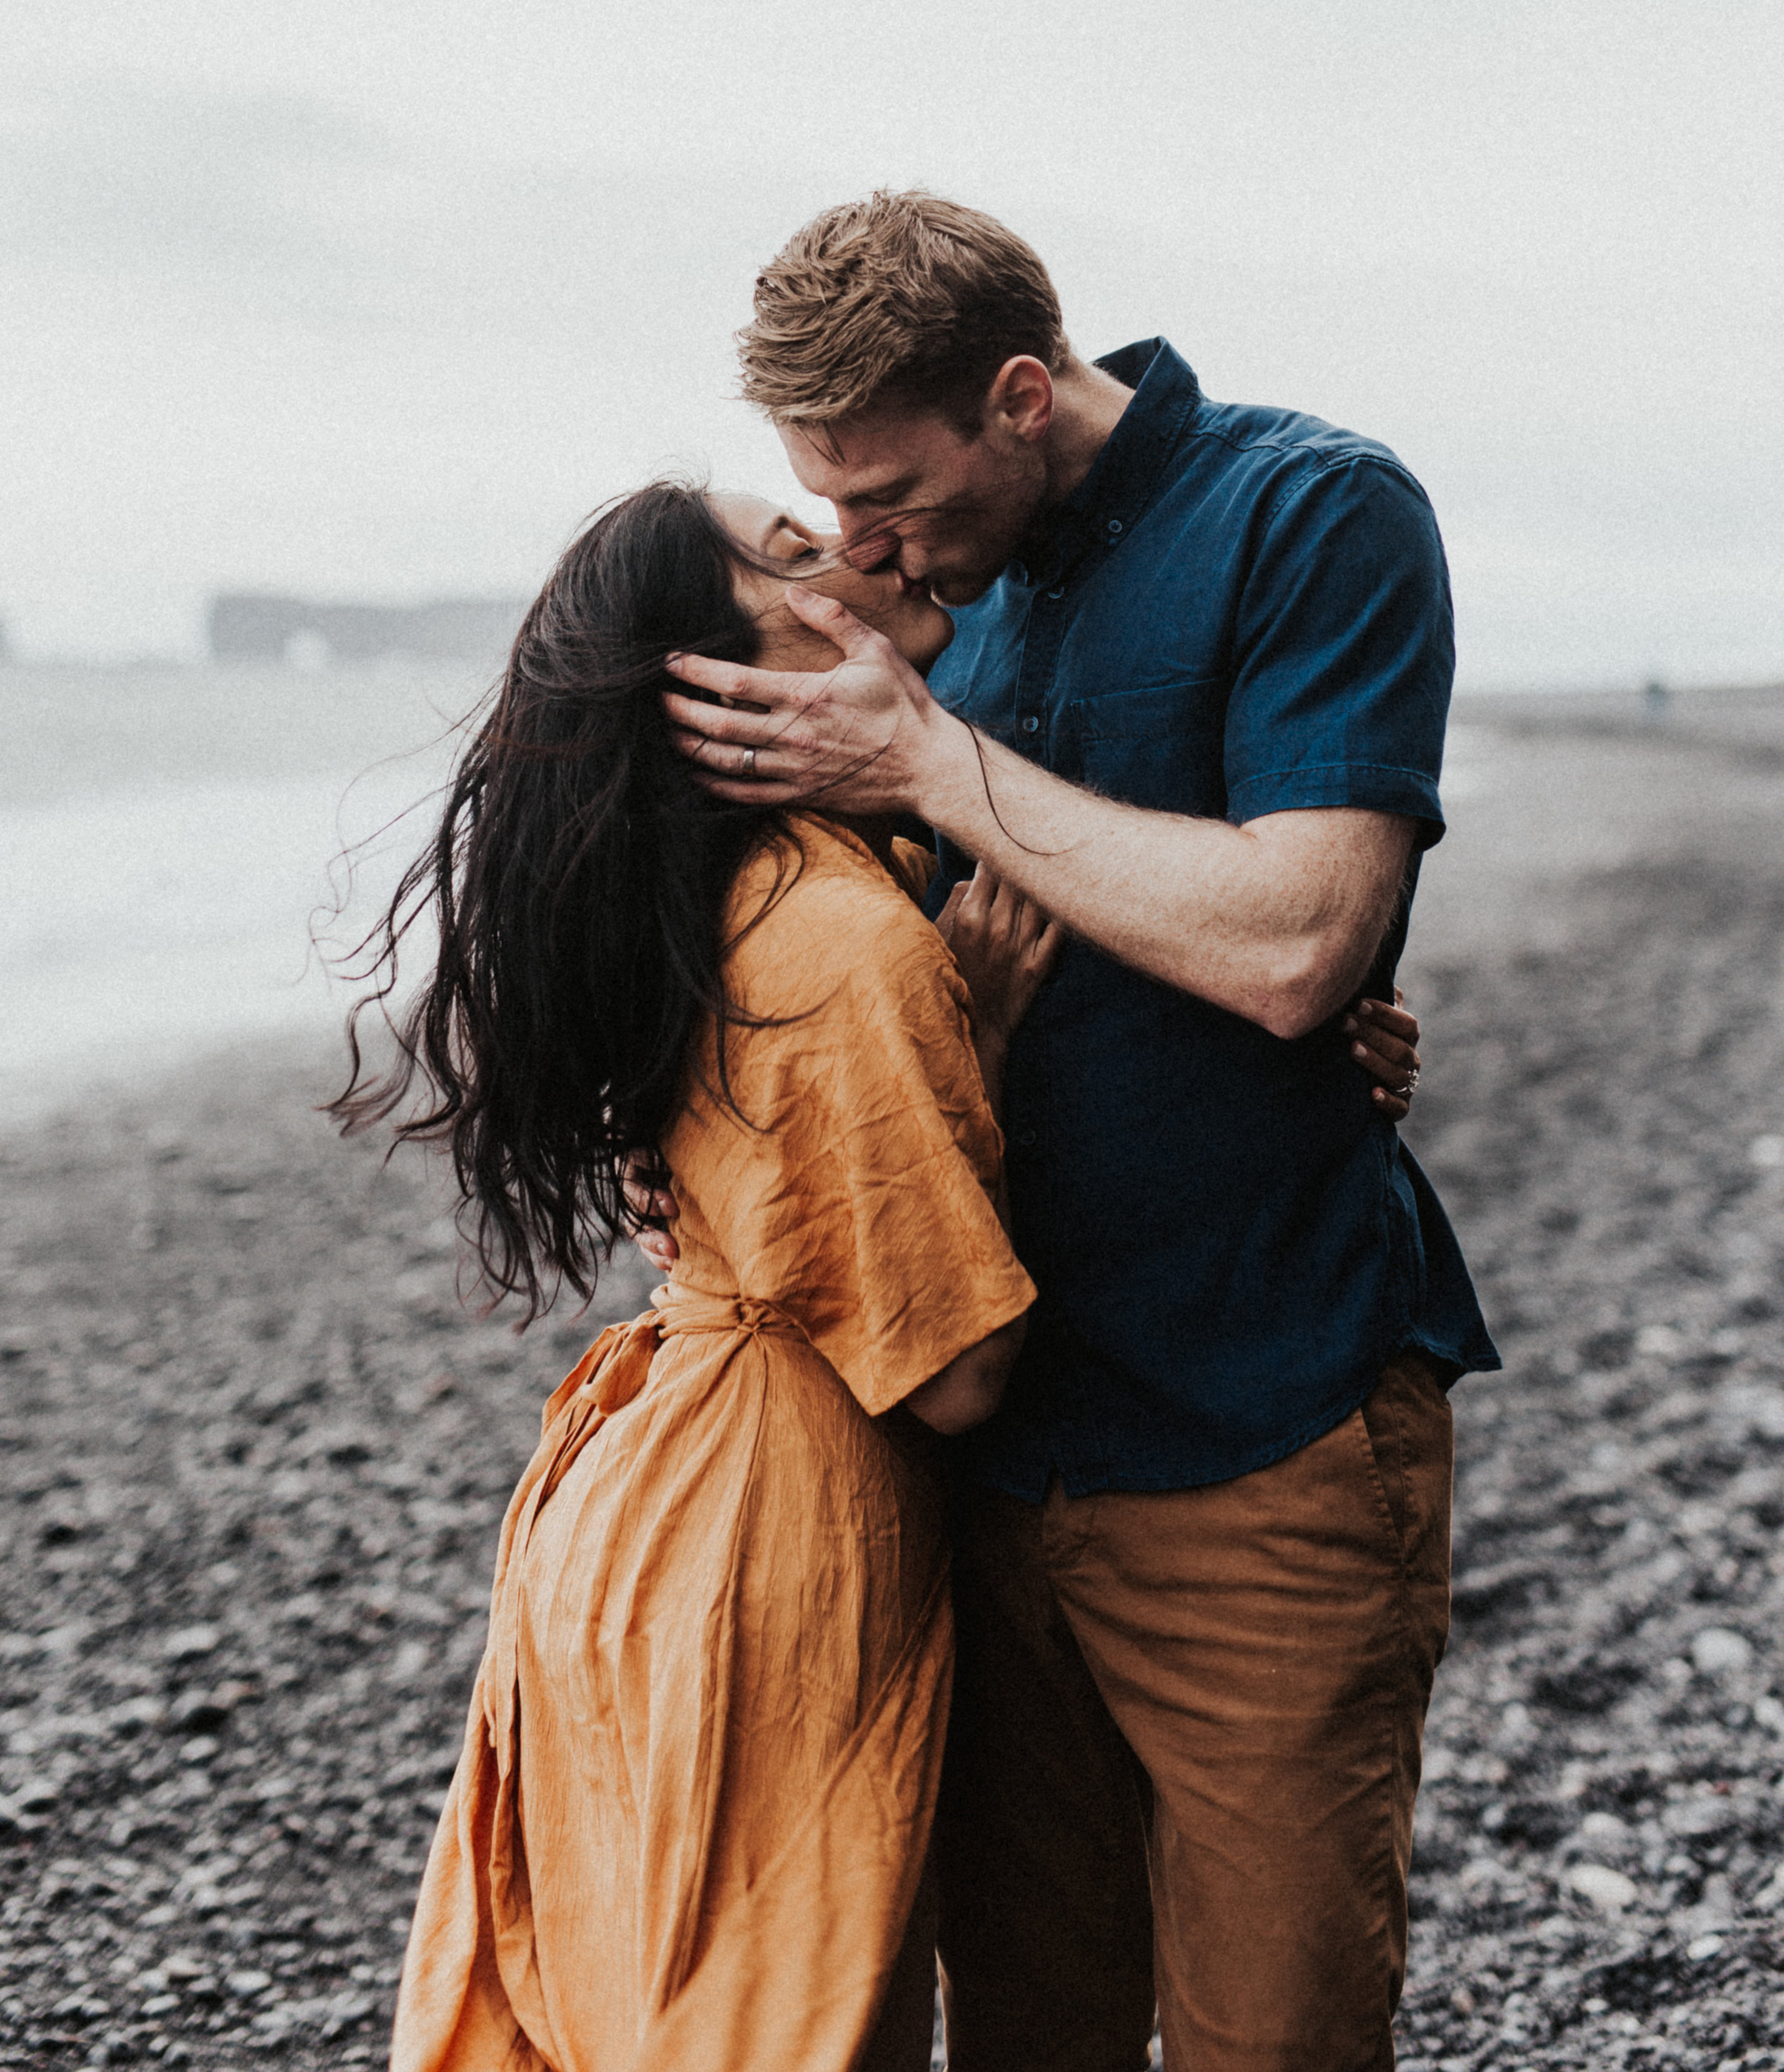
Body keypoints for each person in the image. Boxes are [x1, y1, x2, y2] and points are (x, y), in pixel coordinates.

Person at [659, 189, 1499, 2072]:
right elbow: (785, 960)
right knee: (1027, 2025)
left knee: (1271, 2029)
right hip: (962, 1462)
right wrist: (688, 1149)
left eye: (887, 493)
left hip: (1259, 1424)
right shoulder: (919, 611)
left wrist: (930, 760)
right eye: (821, 499)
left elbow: (1295, 939)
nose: (859, 548)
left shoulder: (1308, 512)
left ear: (1022, 394)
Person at [335, 482, 1047, 2072]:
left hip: (652, 1512)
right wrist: (975, 1043)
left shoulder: (739, 897)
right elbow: (957, 1374)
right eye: (794, 556)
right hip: (757, 1539)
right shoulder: (837, 945)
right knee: (774, 2015)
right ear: (721, 686)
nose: (849, 544)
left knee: (636, 1999)